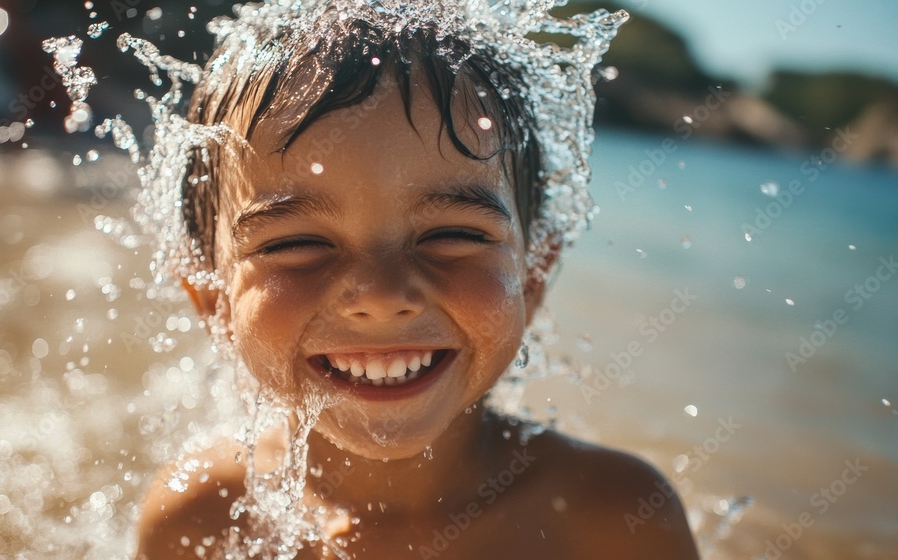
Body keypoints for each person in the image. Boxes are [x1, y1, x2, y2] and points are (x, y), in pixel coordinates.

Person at [135, 1, 699, 558]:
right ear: (214, 301)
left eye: (452, 236)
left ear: (533, 275)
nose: (381, 298)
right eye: (295, 244)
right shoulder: (196, 522)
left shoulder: (616, 520)